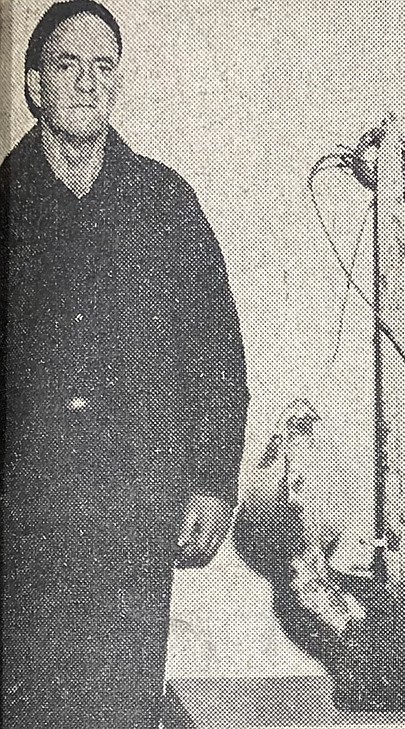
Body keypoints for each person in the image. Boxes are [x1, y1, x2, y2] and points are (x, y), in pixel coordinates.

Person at [1, 2, 250, 727]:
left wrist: (213, 483)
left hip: (132, 522)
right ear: (34, 85)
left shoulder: (165, 205)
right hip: (25, 530)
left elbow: (218, 357)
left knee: (120, 709)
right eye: (67, 64)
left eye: (103, 67)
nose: (86, 82)